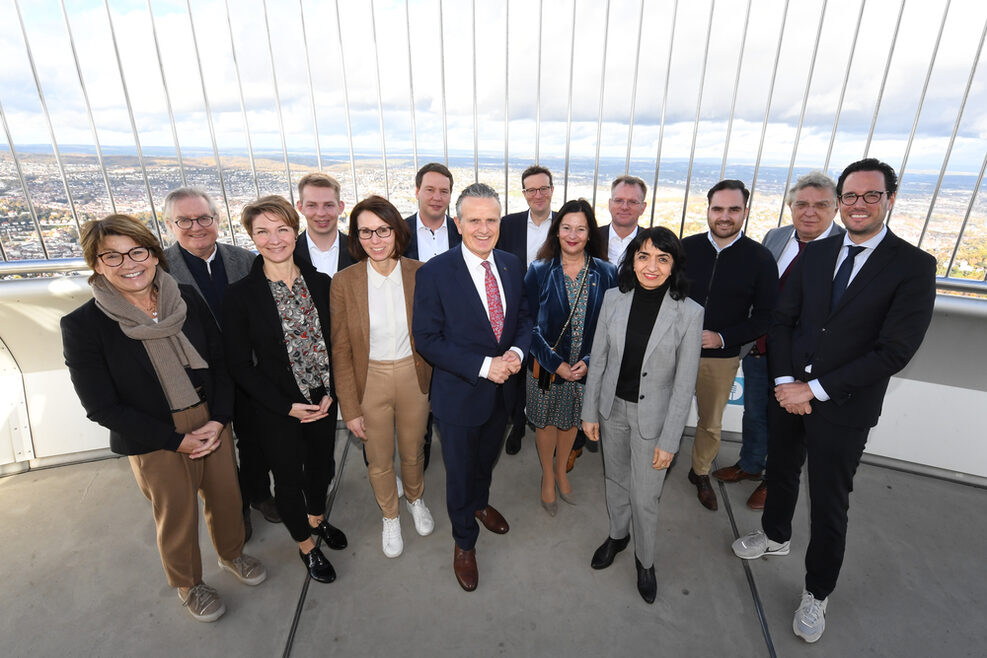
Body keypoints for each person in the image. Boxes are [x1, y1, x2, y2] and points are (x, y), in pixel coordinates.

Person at [732, 158, 937, 643]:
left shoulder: (912, 266)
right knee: (780, 472)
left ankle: (816, 591)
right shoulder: (818, 254)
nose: (859, 204)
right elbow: (784, 321)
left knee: (829, 502)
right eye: (851, 196)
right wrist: (785, 381)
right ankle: (776, 536)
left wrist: (814, 389)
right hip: (789, 393)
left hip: (844, 406)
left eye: (870, 195)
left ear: (889, 199)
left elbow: (894, 350)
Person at [61, 214, 267, 623]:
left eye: (137, 251)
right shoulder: (84, 326)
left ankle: (232, 554)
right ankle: (189, 583)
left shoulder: (185, 297)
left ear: (155, 255)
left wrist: (220, 418)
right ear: (96, 264)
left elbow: (221, 362)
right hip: (154, 434)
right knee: (176, 513)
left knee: (227, 498)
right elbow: (101, 406)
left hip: (209, 418)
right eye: (112, 257)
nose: (128, 263)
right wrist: (176, 441)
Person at [412, 183, 532, 592]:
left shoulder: (514, 265)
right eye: (474, 220)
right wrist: (485, 367)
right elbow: (427, 339)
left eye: (492, 220)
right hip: (461, 395)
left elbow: (524, 319)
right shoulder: (434, 273)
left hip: (503, 394)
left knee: (486, 461)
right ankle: (464, 542)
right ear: (458, 223)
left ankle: (480, 505)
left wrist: (516, 352)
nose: (484, 228)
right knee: (460, 473)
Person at [222, 195, 347, 585]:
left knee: (322, 468)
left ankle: (317, 519)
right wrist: (286, 406)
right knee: (289, 478)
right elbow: (240, 365)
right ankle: (306, 545)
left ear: (295, 231)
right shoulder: (239, 296)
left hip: (322, 399)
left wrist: (332, 392)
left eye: (281, 228)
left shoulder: (321, 283)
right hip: (277, 407)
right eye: (262, 231)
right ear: (251, 237)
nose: (274, 239)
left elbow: (335, 343)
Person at [581, 226, 702, 604]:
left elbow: (684, 385)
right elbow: (598, 359)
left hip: (655, 421)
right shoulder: (614, 299)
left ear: (673, 266)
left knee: (645, 496)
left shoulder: (689, 313)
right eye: (643, 256)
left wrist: (670, 440)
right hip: (611, 408)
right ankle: (618, 535)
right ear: (632, 260)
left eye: (662, 258)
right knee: (615, 480)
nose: (651, 266)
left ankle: (644, 560)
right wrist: (590, 412)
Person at [712, 172, 844, 510]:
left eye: (821, 205)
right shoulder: (777, 236)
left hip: (805, 359)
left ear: (836, 208)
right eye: (801, 204)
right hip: (763, 347)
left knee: (791, 426)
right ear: (790, 207)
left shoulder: (845, 248)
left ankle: (775, 480)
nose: (809, 212)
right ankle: (751, 464)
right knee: (755, 412)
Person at [162, 187, 280, 538]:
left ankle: (258, 493)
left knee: (255, 437)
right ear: (169, 225)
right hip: (199, 378)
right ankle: (234, 509)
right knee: (216, 451)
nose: (196, 227)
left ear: (217, 220)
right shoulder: (160, 271)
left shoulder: (243, 260)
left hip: (248, 368)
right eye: (184, 220)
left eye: (204, 218)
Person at [330, 195, 434, 559]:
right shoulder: (344, 282)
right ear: (356, 238)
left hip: (412, 374)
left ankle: (415, 498)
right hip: (369, 378)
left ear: (396, 231)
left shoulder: (421, 273)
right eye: (365, 232)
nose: (375, 239)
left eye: (382, 230)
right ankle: (390, 514)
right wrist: (350, 406)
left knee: (413, 449)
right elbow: (341, 350)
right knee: (378, 457)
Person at [681, 180, 778, 511]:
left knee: (710, 422)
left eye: (733, 209)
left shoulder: (760, 259)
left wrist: (722, 338)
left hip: (720, 358)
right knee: (666, 413)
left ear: (745, 213)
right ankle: (660, 464)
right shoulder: (685, 248)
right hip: (676, 351)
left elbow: (765, 316)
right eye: (718, 209)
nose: (725, 216)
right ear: (707, 211)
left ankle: (700, 472)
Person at [523, 199, 616, 515]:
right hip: (546, 367)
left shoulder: (606, 273)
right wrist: (555, 363)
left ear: (590, 233)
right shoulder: (538, 271)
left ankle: (561, 469)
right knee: (546, 423)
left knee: (571, 422)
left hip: (584, 369)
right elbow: (527, 325)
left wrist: (588, 361)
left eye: (580, 228)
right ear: (556, 231)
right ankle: (547, 476)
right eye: (566, 228)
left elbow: (610, 327)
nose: (573, 235)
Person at [403, 162, 461, 470]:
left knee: (452, 402)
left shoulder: (464, 230)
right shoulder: (398, 232)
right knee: (417, 402)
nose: (437, 197)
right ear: (417, 192)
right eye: (430, 190)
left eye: (444, 191)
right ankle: (419, 454)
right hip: (415, 332)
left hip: (458, 334)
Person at [498, 165, 556, 456]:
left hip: (554, 316)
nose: (538, 194)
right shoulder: (508, 225)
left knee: (547, 373)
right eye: (531, 189)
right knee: (517, 373)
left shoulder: (564, 225)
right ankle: (518, 425)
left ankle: (546, 425)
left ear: (552, 190)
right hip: (516, 313)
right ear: (523, 193)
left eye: (543, 188)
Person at [293, 172, 355, 277]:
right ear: (300, 207)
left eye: (328, 205)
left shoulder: (359, 251)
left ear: (340, 207)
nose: (321, 213)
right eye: (312, 205)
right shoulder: (289, 253)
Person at [600, 176, 647, 265]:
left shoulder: (651, 242)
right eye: (618, 200)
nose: (624, 207)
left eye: (632, 202)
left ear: (643, 207)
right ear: (610, 204)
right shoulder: (591, 239)